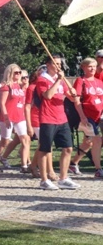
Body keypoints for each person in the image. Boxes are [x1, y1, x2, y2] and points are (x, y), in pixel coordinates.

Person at [36, 54, 80, 190]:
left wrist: (74, 93)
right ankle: (44, 179)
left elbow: (71, 98)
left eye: (60, 64)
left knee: (68, 148)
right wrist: (57, 81)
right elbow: (48, 96)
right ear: (48, 65)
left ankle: (63, 178)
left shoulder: (61, 80)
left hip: (62, 118)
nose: (58, 67)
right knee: (45, 149)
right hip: (47, 118)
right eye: (55, 64)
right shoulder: (42, 79)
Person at [0, 64, 30, 172]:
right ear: (10, 73)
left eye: (19, 73)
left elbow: (22, 101)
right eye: (16, 72)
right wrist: (6, 117)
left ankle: (24, 165)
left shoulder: (20, 86)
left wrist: (25, 87)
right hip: (8, 116)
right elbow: (2, 103)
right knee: (5, 141)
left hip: (19, 117)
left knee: (25, 139)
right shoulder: (6, 86)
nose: (18, 75)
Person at [69, 57, 103, 177]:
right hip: (86, 115)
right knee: (97, 139)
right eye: (89, 66)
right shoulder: (81, 80)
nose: (92, 68)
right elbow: (76, 99)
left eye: (94, 66)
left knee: (88, 142)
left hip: (97, 115)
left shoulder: (99, 82)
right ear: (84, 67)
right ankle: (98, 169)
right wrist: (82, 116)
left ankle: (73, 163)